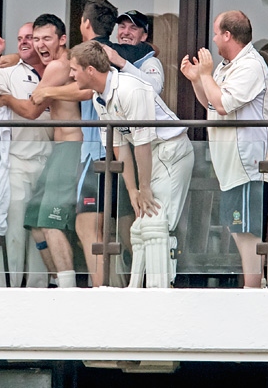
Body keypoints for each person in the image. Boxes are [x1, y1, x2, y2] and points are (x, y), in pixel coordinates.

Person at [30, 0, 157, 287]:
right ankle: (136, 286)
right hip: (121, 151)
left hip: (99, 152)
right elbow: (150, 50)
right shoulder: (122, 50)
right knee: (124, 225)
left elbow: (88, 89)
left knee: (89, 225)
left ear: (84, 23)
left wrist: (48, 90)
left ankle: (107, 291)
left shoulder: (94, 54)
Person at [69, 40, 194, 288]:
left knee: (156, 225)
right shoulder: (99, 98)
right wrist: (132, 190)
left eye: (74, 68)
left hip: (171, 150)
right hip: (151, 153)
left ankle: (160, 292)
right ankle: (136, 291)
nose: (71, 74)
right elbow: (119, 145)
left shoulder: (130, 89)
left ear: (90, 70)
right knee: (140, 228)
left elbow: (143, 141)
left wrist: (144, 187)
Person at [180, 10, 268, 288]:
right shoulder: (226, 65)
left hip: (249, 166)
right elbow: (211, 102)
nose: (212, 38)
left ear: (227, 35)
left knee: (246, 231)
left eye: (215, 32)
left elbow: (223, 103)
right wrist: (198, 79)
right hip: (230, 166)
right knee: (238, 229)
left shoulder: (250, 66)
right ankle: (258, 284)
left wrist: (206, 74)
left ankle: (253, 288)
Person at [0, 14, 82, 288]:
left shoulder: (58, 65)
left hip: (70, 147)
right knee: (34, 220)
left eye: (47, 38)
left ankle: (66, 286)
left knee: (51, 221)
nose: (40, 44)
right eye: (37, 39)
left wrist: (7, 98)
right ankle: (56, 278)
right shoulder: (64, 63)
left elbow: (32, 110)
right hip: (60, 149)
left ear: (62, 39)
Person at [0, 23, 53, 288]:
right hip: (17, 164)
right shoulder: (9, 70)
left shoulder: (60, 68)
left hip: (50, 164)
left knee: (42, 233)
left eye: (29, 38)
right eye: (19, 38)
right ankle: (7, 291)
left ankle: (38, 291)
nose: (23, 42)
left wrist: (9, 100)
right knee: (13, 234)